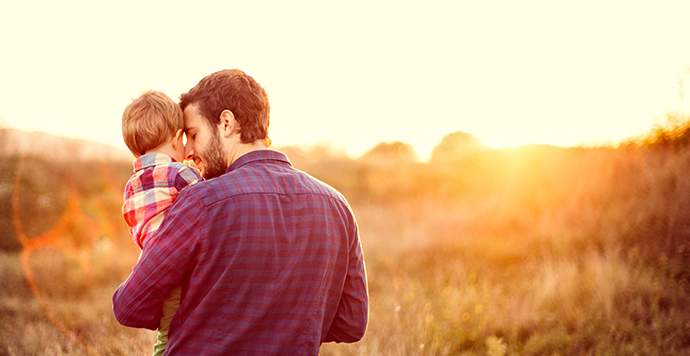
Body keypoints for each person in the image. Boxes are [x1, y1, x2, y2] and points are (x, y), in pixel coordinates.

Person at [113, 69, 368, 355]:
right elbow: (351, 323)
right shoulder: (336, 205)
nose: (189, 151)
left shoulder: (201, 200)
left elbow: (130, 307)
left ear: (226, 122)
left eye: (193, 135)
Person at [120, 90, 202, 356]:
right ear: (176, 137)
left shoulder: (132, 186)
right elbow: (211, 202)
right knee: (185, 330)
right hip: (185, 268)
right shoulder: (179, 174)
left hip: (155, 266)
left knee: (167, 331)